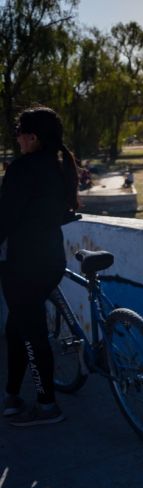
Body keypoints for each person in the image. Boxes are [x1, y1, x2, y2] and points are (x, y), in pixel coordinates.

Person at [1, 106, 79, 426]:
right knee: (16, 328)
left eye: (19, 133)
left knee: (32, 333)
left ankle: (47, 405)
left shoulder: (22, 169)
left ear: (32, 137)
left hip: (22, 265)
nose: (17, 139)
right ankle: (13, 395)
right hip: (50, 261)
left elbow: (3, 218)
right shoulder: (58, 167)